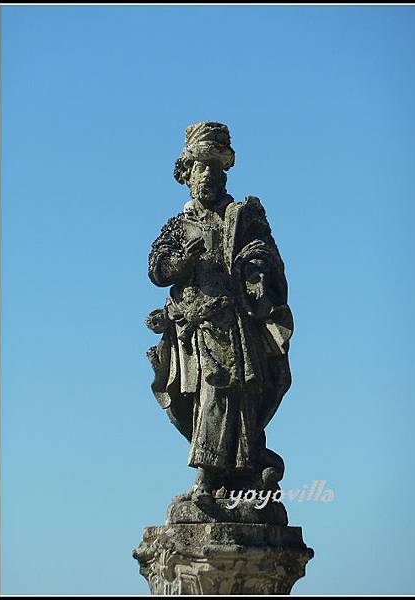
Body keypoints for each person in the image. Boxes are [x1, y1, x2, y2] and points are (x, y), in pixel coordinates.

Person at [146, 122, 293, 506]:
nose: (208, 174)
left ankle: (222, 476)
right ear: (187, 174)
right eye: (200, 167)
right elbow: (156, 268)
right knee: (201, 400)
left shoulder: (242, 217)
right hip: (194, 330)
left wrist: (256, 267)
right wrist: (180, 263)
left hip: (235, 324)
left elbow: (267, 255)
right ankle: (218, 475)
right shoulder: (179, 225)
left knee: (235, 397)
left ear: (225, 171)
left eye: (215, 166)